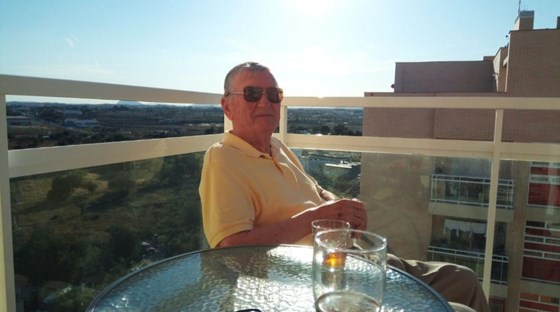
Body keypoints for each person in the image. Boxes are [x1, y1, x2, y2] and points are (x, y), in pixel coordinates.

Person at [199, 61, 490, 312]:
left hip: (351, 257)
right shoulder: (223, 159)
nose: (265, 102)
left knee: (463, 278)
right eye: (252, 94)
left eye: (273, 94)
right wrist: (319, 217)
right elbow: (231, 248)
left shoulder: (277, 146)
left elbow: (317, 192)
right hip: (313, 279)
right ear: (227, 106)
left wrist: (341, 210)